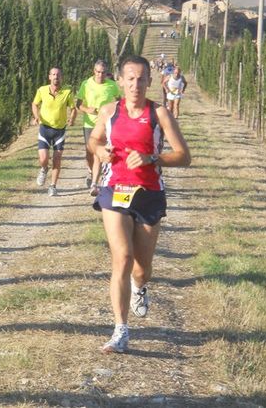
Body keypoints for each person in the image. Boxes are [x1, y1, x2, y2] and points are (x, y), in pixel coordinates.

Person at [88, 55, 191, 353]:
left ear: (149, 81)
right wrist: (99, 150)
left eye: (141, 78)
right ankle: (120, 330)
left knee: (141, 268)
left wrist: (152, 158)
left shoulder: (159, 114)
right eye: (129, 78)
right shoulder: (109, 112)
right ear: (119, 81)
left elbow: (184, 156)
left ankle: (139, 288)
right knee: (121, 256)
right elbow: (93, 141)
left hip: (148, 192)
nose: (135, 84)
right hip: (113, 189)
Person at [75, 60, 121, 196]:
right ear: (93, 71)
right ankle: (91, 171)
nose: (100, 75)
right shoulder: (86, 84)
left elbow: (119, 101)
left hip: (106, 125)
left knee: (99, 153)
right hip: (90, 124)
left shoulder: (112, 85)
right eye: (98, 72)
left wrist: (113, 112)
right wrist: (87, 109)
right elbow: (78, 104)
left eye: (103, 72)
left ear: (106, 72)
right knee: (89, 153)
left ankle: (96, 181)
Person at [32, 67, 75, 196]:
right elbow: (34, 104)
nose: (56, 77)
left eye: (58, 75)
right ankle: (44, 169)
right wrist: (36, 116)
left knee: (57, 158)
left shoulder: (67, 92)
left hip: (59, 131)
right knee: (44, 158)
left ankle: (53, 186)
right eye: (53, 74)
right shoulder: (42, 90)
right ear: (49, 77)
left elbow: (73, 108)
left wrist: (72, 118)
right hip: (45, 128)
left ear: (61, 78)